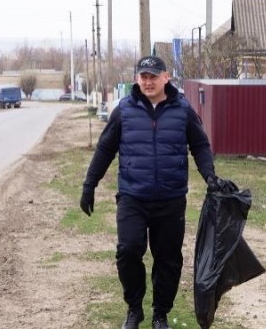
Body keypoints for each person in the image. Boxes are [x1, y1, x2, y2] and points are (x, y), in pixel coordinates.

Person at [79, 55, 221, 329]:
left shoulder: (183, 109)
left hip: (170, 198)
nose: (148, 81)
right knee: (128, 251)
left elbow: (200, 146)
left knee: (168, 258)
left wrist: (210, 176)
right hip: (133, 196)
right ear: (137, 79)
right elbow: (105, 149)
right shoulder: (124, 110)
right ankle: (134, 309)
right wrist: (89, 185)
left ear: (166, 77)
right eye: (143, 76)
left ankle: (160, 314)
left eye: (153, 76)